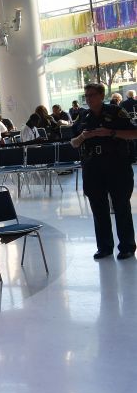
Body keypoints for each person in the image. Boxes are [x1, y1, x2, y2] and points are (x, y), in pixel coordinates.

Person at [71, 82, 137, 260]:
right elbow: (73, 142)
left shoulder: (116, 112)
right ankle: (104, 246)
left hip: (116, 165)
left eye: (92, 95)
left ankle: (127, 246)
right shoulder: (83, 116)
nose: (89, 99)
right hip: (92, 167)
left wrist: (110, 133)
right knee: (98, 208)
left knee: (121, 206)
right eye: (86, 96)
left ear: (101, 95)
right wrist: (84, 136)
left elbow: (134, 133)